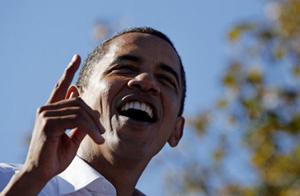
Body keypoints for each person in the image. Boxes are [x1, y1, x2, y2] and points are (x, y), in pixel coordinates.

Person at [0, 27, 186, 196]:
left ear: (176, 131)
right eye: (125, 68)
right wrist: (32, 178)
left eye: (166, 79)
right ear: (73, 101)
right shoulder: (5, 181)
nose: (146, 81)